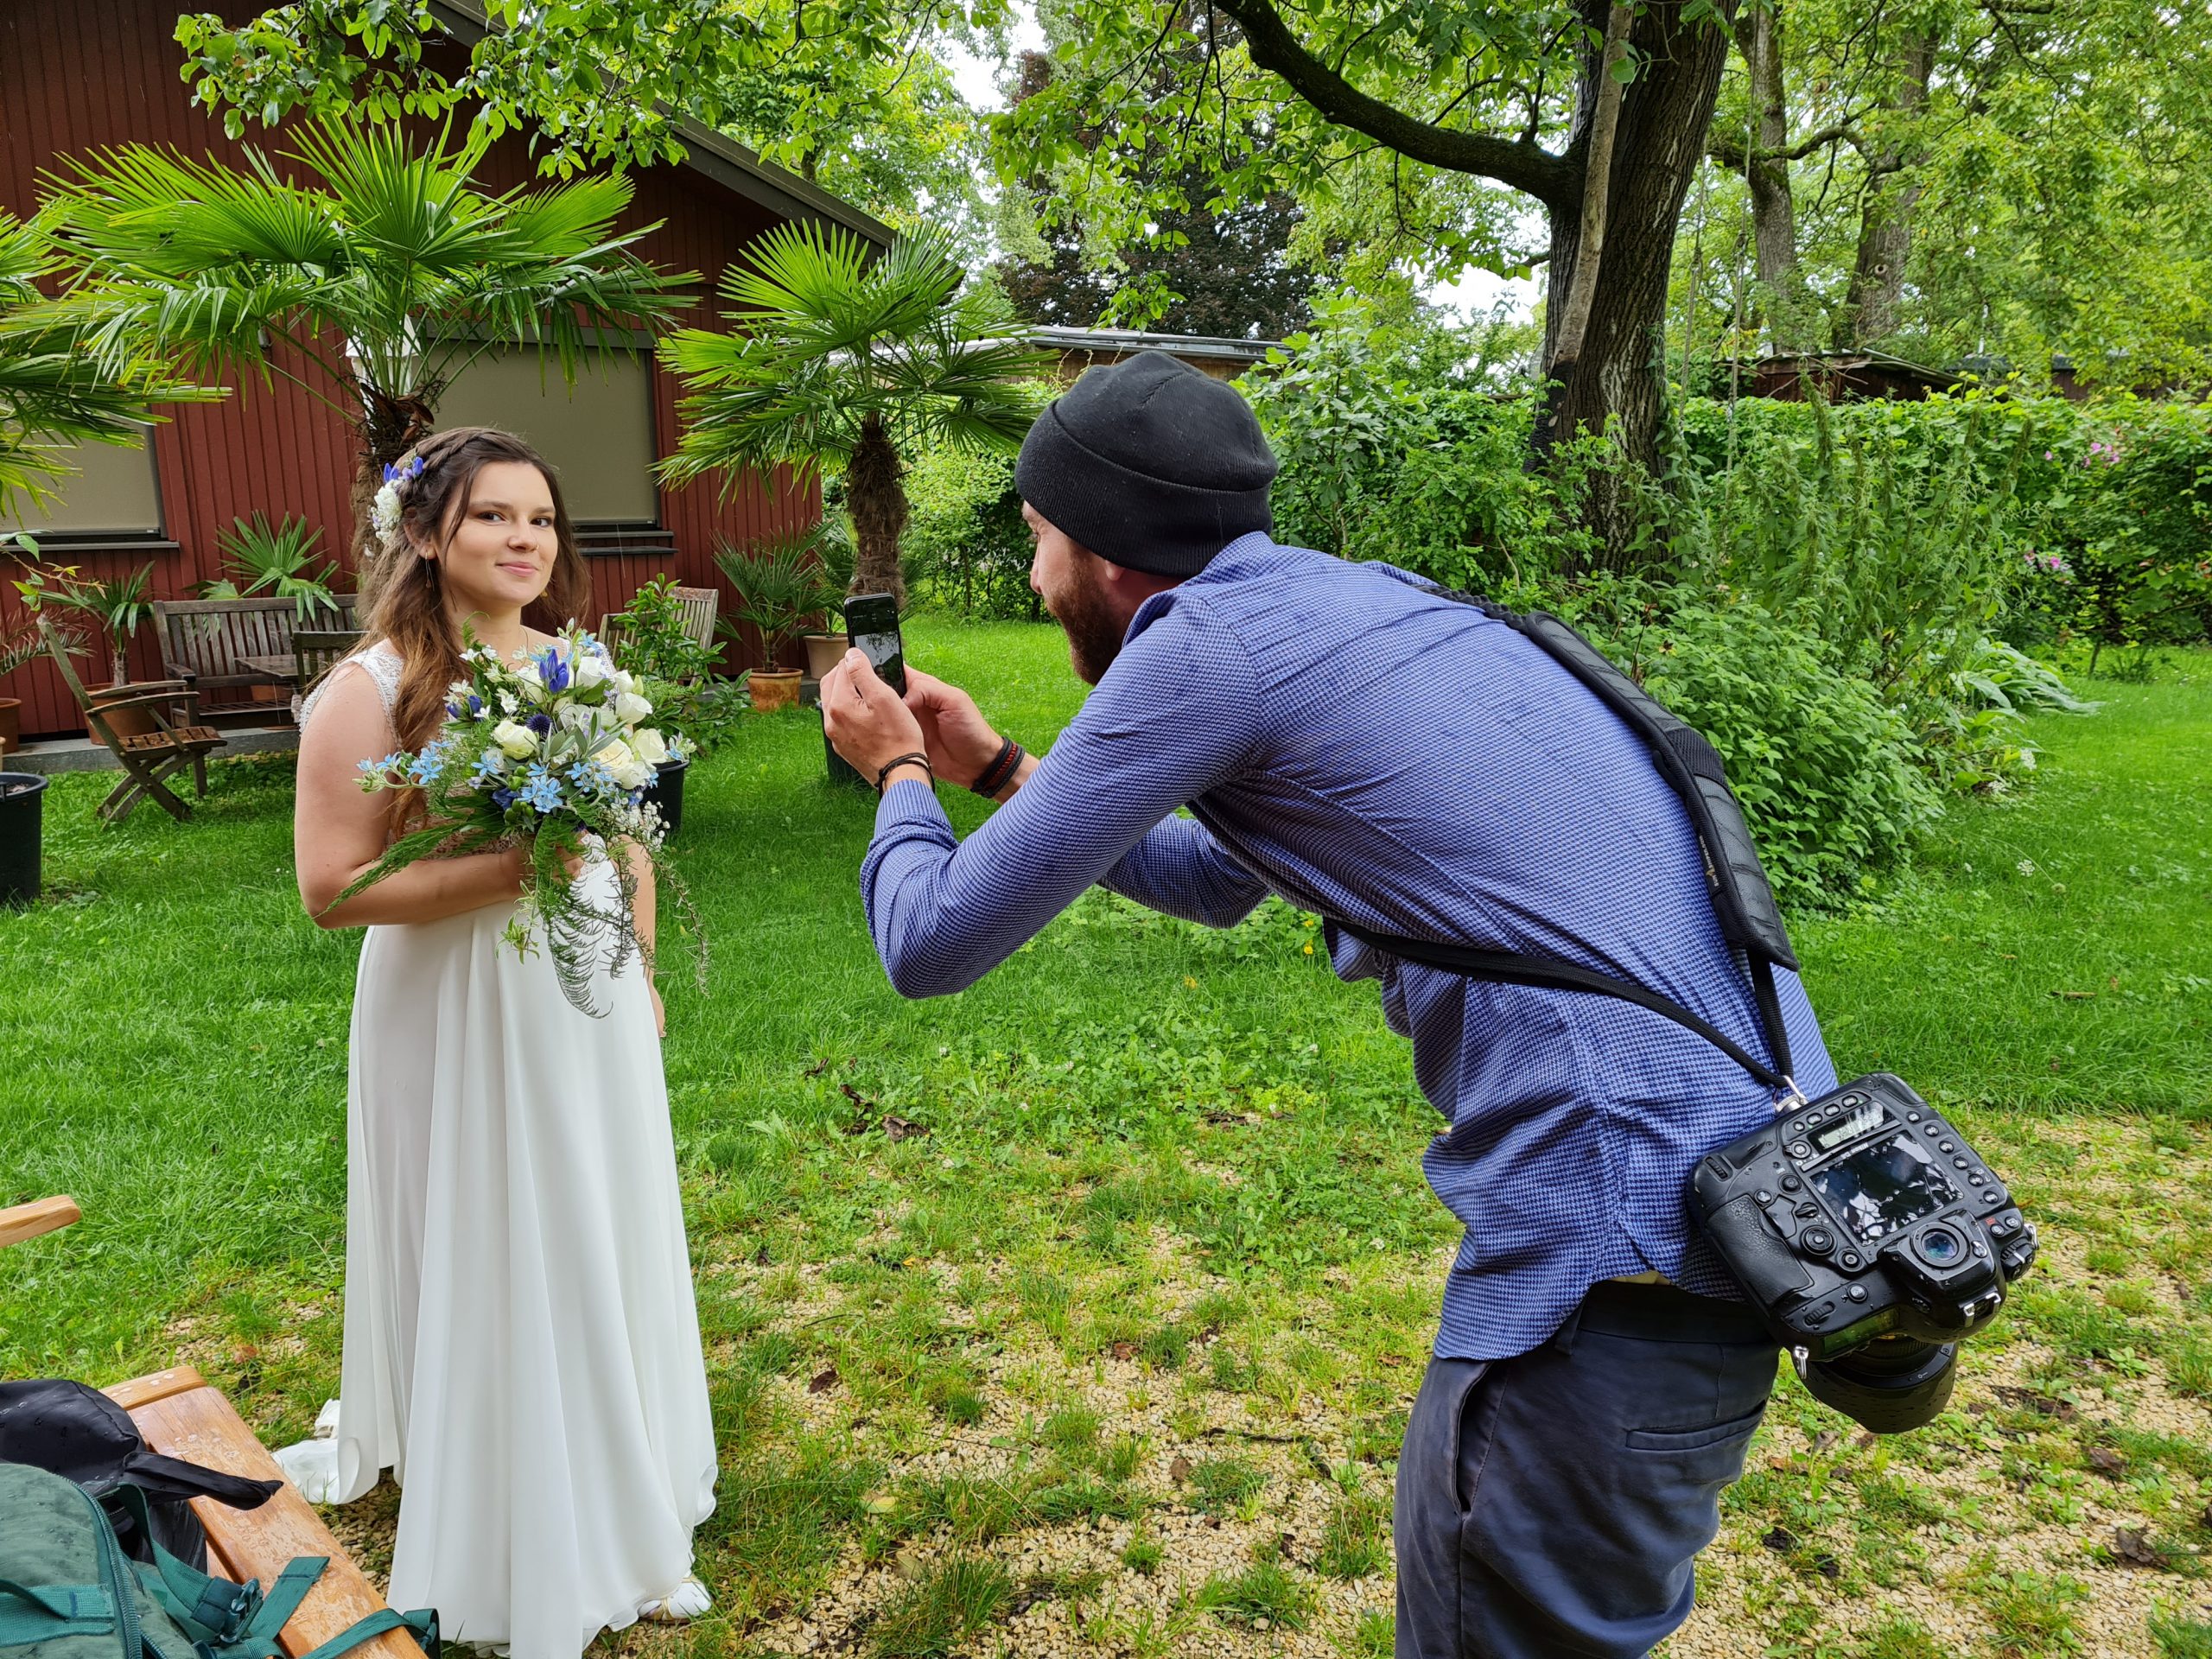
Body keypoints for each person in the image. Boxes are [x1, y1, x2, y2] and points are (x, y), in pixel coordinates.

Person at [822, 352, 1840, 1659]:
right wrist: (1001, 766)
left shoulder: (1208, 646)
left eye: (1037, 540)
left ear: (1108, 552)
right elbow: (1214, 880)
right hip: (1735, 1208)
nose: (1034, 578)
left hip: (1607, 1264)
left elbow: (930, 942)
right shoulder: (1368, 610)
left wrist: (897, 772)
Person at [282, 426, 716, 1658]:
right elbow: (332, 889)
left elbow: (627, 828)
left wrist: (633, 965)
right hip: (451, 999)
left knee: (589, 1206)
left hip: (577, 992)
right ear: (425, 535)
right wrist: (502, 870)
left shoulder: (579, 662)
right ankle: (495, 1461)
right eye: (492, 519)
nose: (526, 540)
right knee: (490, 1210)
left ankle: (611, 1437)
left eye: (540, 518)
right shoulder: (365, 692)